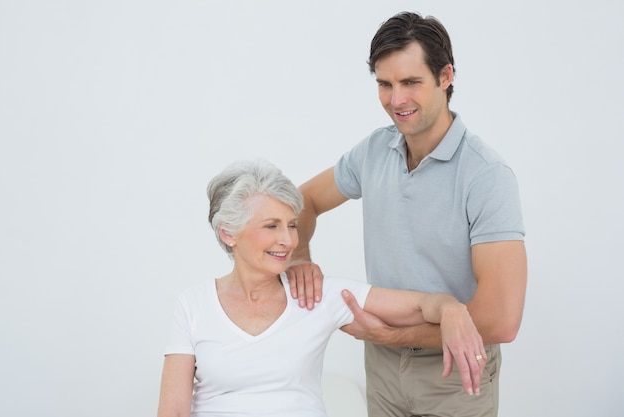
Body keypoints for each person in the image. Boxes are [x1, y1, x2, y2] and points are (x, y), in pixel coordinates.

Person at [286, 11, 527, 417]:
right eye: (385, 84)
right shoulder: (374, 151)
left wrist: (392, 335)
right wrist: (298, 259)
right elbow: (302, 201)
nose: (396, 100)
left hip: (455, 372)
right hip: (381, 368)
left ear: (445, 76)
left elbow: (502, 320)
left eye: (411, 82)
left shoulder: (486, 176)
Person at [156, 159, 487, 417]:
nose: (288, 240)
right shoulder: (194, 305)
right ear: (228, 233)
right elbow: (172, 411)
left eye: (291, 225)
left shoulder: (316, 295)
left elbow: (418, 306)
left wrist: (449, 308)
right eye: (271, 226)